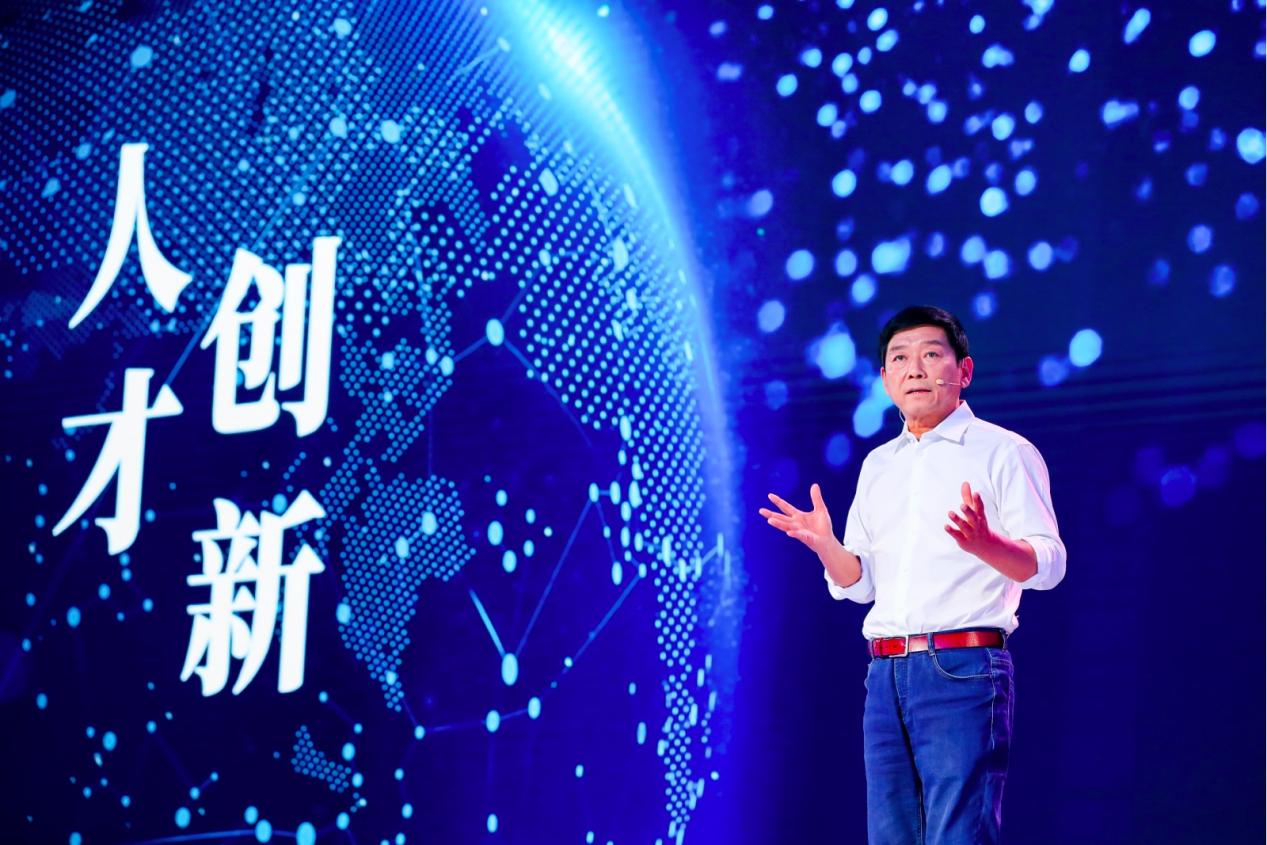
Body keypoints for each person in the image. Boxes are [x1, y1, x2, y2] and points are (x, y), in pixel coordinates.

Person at [758, 305, 1066, 845]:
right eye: (900, 359)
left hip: (962, 666)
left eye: (931, 354)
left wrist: (987, 543)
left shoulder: (1004, 451)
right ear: (885, 379)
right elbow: (861, 583)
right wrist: (827, 547)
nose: (915, 369)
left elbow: (1050, 563)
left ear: (964, 370)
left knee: (958, 835)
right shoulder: (879, 464)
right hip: (884, 674)